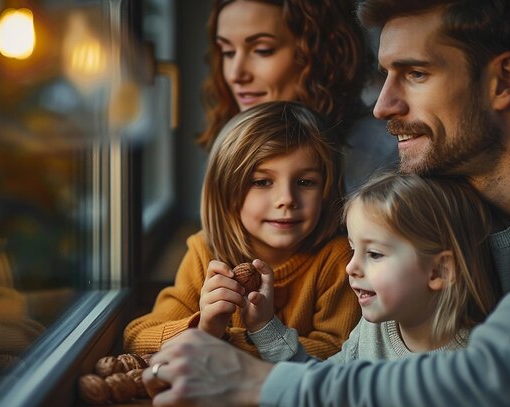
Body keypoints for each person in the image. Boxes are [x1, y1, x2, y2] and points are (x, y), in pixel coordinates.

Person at [142, 0, 510, 407]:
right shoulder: (445, 196)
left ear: (503, 80)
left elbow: (500, 379)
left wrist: (254, 383)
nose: (383, 105)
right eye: (387, 75)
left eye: (415, 73)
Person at [124, 101, 360, 359]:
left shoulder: (337, 260)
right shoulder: (206, 254)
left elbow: (337, 354)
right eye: (262, 182)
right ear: (226, 191)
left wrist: (251, 332)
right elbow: (137, 338)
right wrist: (205, 328)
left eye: (305, 182)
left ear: (327, 192)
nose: (286, 199)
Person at [246, 172, 500, 363]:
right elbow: (317, 388)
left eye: (375, 254)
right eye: (352, 249)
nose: (350, 267)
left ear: (440, 271)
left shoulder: (476, 365)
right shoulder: (372, 333)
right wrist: (264, 325)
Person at [197, 0, 398, 192]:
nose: (235, 75)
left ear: (318, 54)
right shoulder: (231, 145)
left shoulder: (380, 154)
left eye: (262, 50)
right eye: (228, 52)